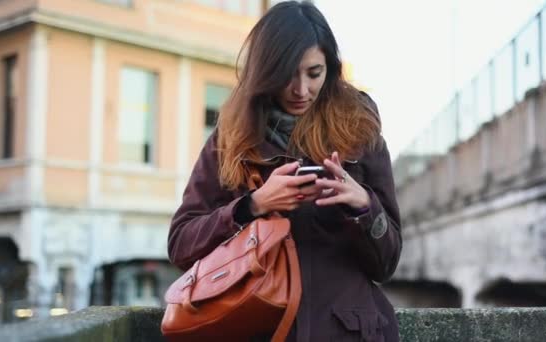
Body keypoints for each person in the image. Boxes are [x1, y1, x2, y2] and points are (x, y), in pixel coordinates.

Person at [167, 1, 402, 341]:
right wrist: (253, 205)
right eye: (288, 74)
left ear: (330, 69)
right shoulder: (231, 137)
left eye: (314, 73)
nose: (301, 90)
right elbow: (181, 244)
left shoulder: (360, 133)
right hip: (260, 327)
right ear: (266, 72)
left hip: (348, 333)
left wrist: (364, 206)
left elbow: (387, 263)